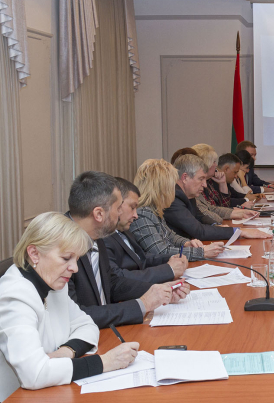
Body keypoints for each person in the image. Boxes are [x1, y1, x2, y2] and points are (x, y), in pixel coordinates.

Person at [0, 212, 140, 400]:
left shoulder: (52, 282)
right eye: (66, 258)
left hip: (52, 391)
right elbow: (35, 374)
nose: (75, 268)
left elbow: (88, 325)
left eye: (76, 259)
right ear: (34, 253)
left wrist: (66, 351)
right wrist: (104, 362)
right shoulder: (14, 295)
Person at [65, 171, 189, 329]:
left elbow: (112, 283)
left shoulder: (95, 234)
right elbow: (76, 316)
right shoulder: (60, 248)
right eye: (118, 208)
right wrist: (142, 304)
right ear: (99, 214)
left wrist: (158, 291)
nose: (119, 214)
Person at [130, 159, 225, 260]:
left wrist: (187, 243)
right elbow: (161, 252)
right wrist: (201, 252)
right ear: (161, 188)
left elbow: (170, 236)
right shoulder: (142, 214)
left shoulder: (154, 209)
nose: (174, 190)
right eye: (172, 185)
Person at [164, 154, 269, 240]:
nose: (205, 184)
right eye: (201, 179)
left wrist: (217, 226)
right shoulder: (173, 198)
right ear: (185, 177)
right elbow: (199, 231)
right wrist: (239, 231)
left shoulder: (187, 194)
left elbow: (201, 217)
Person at [105, 177, 187, 284]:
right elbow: (117, 279)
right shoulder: (104, 237)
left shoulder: (123, 229)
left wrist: (170, 258)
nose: (136, 215)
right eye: (132, 207)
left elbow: (141, 258)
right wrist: (169, 270)